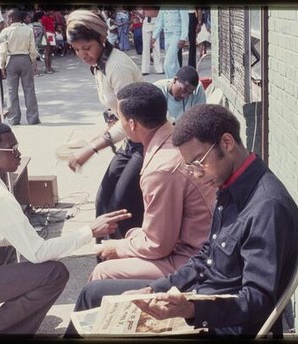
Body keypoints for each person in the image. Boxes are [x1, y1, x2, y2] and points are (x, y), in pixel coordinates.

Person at [65, 103, 298, 337]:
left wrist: (192, 310)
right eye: (190, 166)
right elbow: (204, 258)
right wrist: (154, 289)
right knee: (94, 294)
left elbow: (257, 300)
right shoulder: (229, 184)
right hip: (199, 300)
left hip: (220, 324)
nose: (197, 175)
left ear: (227, 143)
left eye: (198, 162)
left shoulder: (267, 209)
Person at [0, 120, 132, 337]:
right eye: (12, 149)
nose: (18, 154)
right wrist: (89, 231)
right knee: (54, 273)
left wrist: (24, 237)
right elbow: (38, 253)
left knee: (8, 244)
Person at [89, 82, 214, 281]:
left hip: (197, 259)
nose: (117, 124)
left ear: (132, 124)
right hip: (192, 244)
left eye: (119, 119)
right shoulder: (174, 137)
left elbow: (158, 245)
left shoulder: (160, 169)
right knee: (129, 236)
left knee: (102, 273)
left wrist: (118, 247)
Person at [65, 9, 145, 242]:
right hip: (131, 140)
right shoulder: (99, 64)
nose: (82, 54)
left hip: (146, 139)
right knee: (103, 199)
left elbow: (130, 121)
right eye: (77, 49)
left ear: (101, 38)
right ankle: (103, 254)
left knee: (122, 205)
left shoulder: (116, 67)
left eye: (87, 47)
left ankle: (130, 253)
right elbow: (118, 116)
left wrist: (91, 148)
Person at [0, 8, 41, 126]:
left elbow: (3, 50)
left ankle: (13, 118)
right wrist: (34, 63)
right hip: (25, 59)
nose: (6, 20)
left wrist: (2, 65)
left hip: (12, 60)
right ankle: (33, 118)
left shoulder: (6, 31)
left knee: (12, 90)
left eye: (7, 18)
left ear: (11, 19)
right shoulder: (28, 30)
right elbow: (33, 49)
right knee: (29, 89)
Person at [151, 8, 189, 79]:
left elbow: (185, 21)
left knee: (167, 64)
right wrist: (154, 37)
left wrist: (183, 38)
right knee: (174, 63)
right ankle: (180, 80)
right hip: (167, 35)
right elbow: (159, 22)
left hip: (177, 35)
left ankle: (171, 83)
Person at [140, 7, 163, 76]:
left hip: (156, 20)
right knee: (146, 46)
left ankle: (159, 69)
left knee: (156, 46)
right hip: (147, 20)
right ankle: (144, 69)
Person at [41, 8, 56, 74]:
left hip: (51, 34)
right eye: (50, 10)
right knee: (47, 52)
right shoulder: (44, 18)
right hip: (48, 34)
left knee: (50, 52)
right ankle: (47, 68)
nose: (51, 11)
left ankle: (50, 67)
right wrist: (46, 38)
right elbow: (43, 28)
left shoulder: (50, 17)